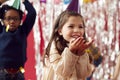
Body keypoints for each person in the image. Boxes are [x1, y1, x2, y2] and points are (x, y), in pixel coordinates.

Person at [41, 8, 95, 80]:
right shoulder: (54, 47)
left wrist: (81, 53)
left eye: (80, 27)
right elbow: (64, 73)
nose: (77, 30)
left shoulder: (82, 47)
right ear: (60, 31)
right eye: (71, 26)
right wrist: (71, 52)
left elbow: (83, 74)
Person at [0, 0, 36, 80]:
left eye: (16, 19)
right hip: (2, 73)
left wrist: (25, 1)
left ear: (20, 21)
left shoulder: (23, 31)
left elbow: (32, 14)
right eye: (8, 19)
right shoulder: (1, 31)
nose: (12, 22)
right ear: (3, 20)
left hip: (18, 73)